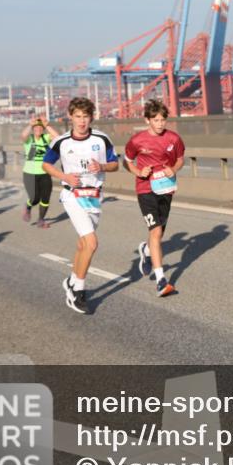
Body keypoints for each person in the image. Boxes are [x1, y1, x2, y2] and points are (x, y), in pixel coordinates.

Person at [41, 97, 119, 314]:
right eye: (78, 117)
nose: (82, 121)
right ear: (70, 117)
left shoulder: (102, 139)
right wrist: (65, 176)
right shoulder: (62, 142)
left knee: (82, 245)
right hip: (72, 195)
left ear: (91, 117)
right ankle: (78, 292)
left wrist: (102, 166)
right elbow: (46, 164)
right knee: (91, 243)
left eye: (85, 117)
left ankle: (72, 280)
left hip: (94, 197)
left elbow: (115, 164)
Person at [123, 99, 185, 297]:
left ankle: (147, 251)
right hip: (145, 189)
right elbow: (127, 161)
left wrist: (173, 169)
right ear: (147, 120)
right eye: (156, 120)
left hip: (166, 189)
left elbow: (180, 159)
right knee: (156, 231)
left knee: (159, 233)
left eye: (163, 120)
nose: (160, 124)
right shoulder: (137, 140)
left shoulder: (173, 138)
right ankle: (161, 280)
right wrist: (139, 171)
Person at [21, 117, 59, 228]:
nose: (38, 129)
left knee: (46, 198)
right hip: (29, 173)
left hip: (45, 172)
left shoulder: (45, 138)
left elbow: (57, 138)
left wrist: (47, 125)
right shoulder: (29, 139)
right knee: (35, 198)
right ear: (33, 129)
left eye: (40, 127)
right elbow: (23, 136)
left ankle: (41, 220)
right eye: (36, 127)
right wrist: (29, 124)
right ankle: (28, 207)